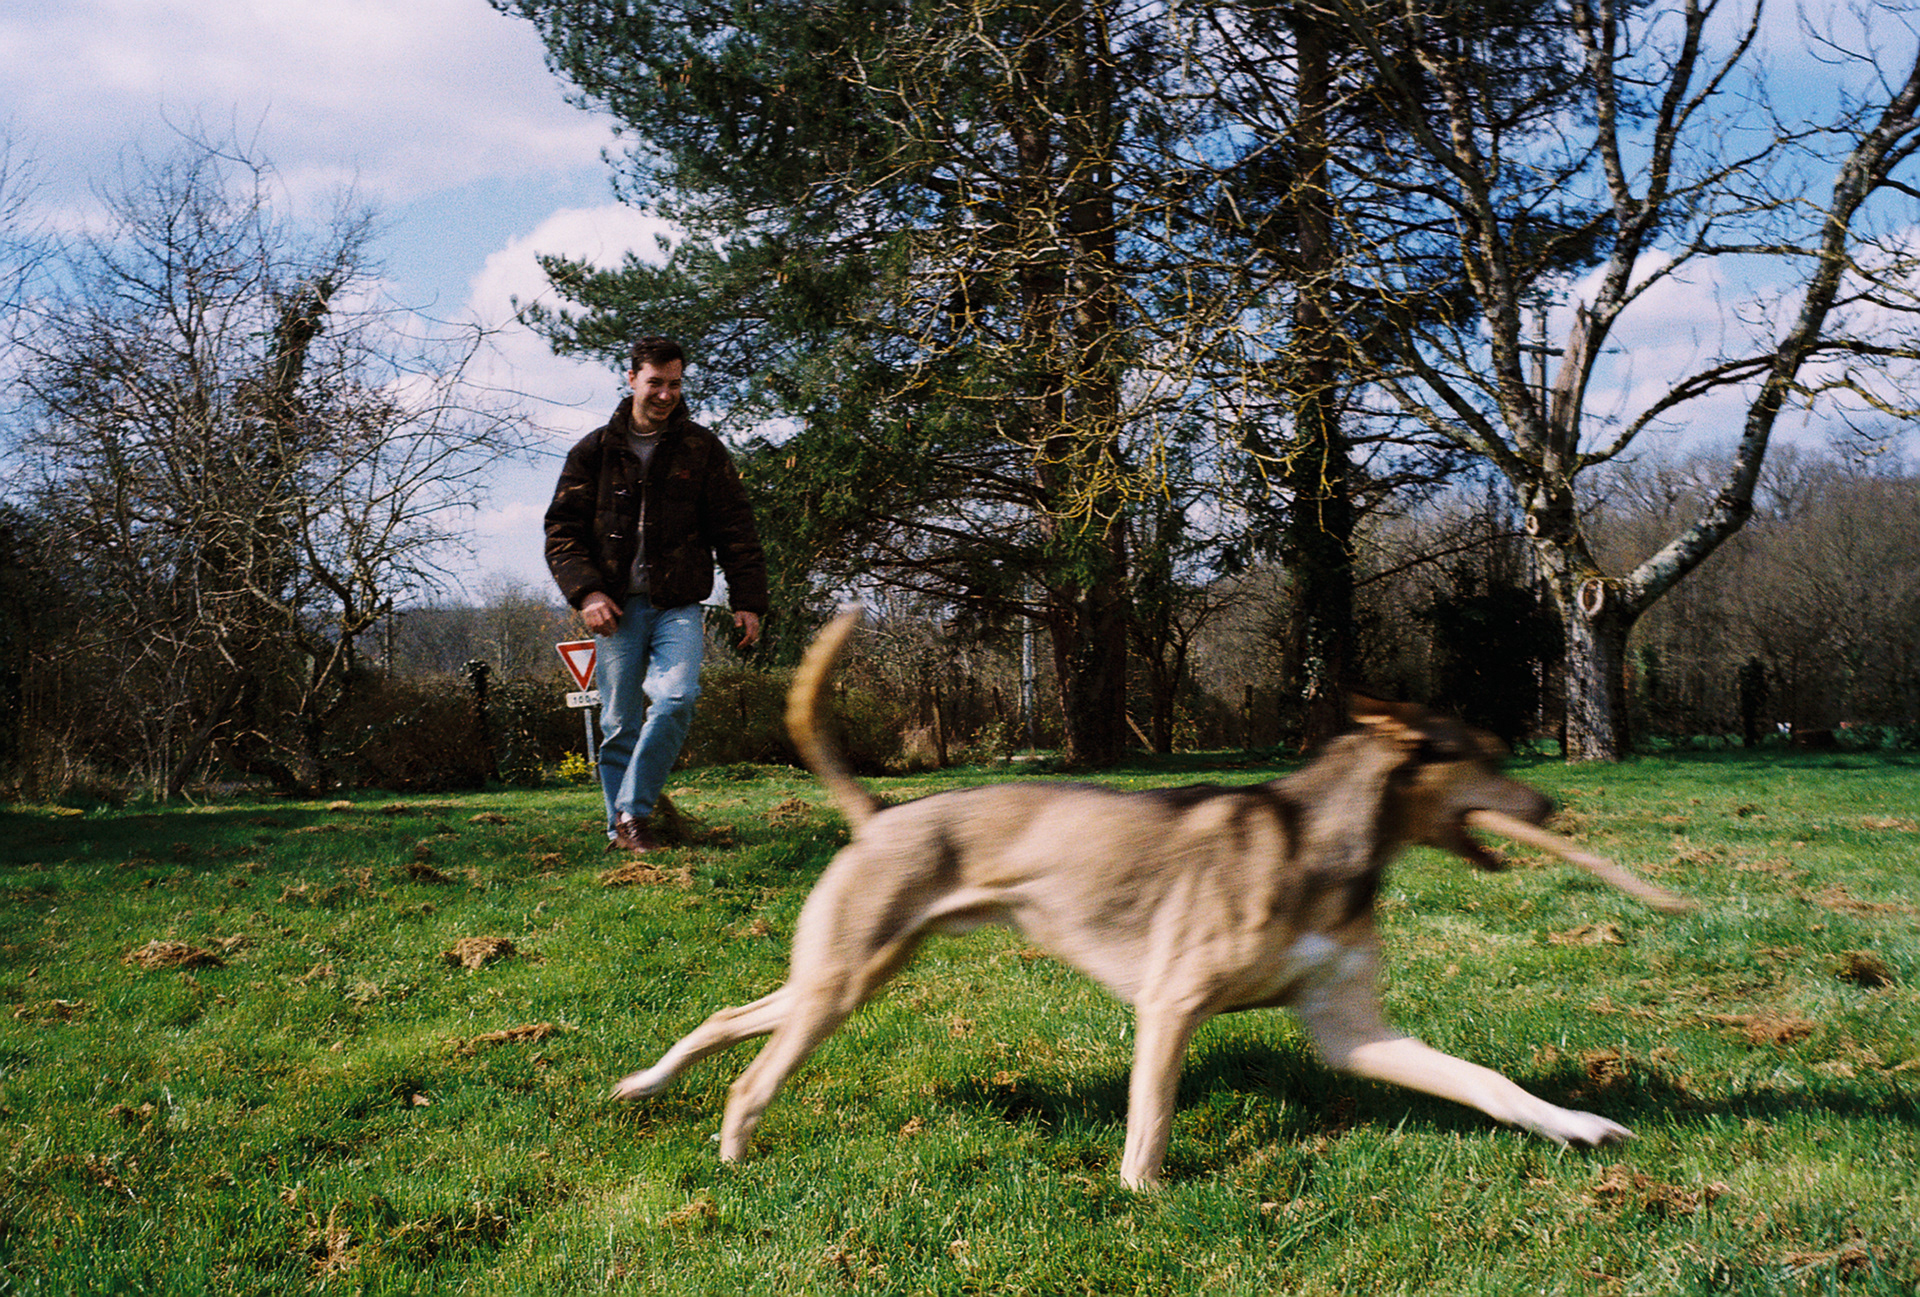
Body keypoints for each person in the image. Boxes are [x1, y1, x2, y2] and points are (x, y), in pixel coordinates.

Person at [544, 337, 769, 853]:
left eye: (675, 384)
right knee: (618, 723)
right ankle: (620, 830)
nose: (666, 394)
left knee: (676, 698)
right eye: (655, 383)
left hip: (677, 604)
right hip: (615, 607)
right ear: (631, 380)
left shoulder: (701, 449)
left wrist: (748, 599)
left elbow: (735, 527)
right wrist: (587, 593)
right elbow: (561, 531)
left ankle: (632, 813)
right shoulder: (594, 451)